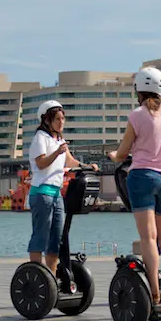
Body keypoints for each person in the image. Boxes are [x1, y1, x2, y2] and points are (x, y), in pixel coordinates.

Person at [108, 66, 161, 305]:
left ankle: (153, 290)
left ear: (138, 90)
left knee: (149, 238)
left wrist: (112, 155)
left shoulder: (136, 115)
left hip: (142, 177)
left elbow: (122, 153)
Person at [28, 100, 97, 279]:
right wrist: (57, 152)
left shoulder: (59, 140)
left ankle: (50, 279)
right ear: (46, 120)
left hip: (57, 194)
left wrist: (87, 165)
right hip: (41, 193)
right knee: (40, 236)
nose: (61, 122)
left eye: (63, 119)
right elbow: (41, 163)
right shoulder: (40, 138)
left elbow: (70, 161)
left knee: (57, 239)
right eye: (57, 119)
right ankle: (36, 275)